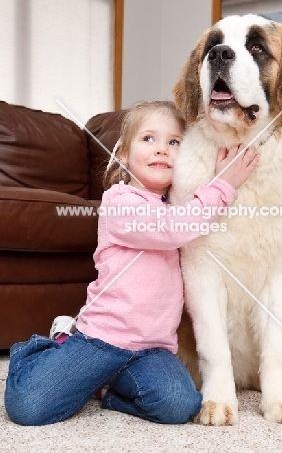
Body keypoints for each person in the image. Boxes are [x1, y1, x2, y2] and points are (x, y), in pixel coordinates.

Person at [5, 100, 259, 426]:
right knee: (29, 406)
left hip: (152, 350)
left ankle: (107, 391)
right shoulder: (120, 202)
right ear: (123, 154)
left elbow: (188, 218)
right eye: (148, 139)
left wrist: (210, 176)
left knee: (181, 405)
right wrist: (224, 186)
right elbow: (173, 228)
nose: (161, 150)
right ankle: (52, 346)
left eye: (174, 142)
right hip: (101, 341)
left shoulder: (181, 207)